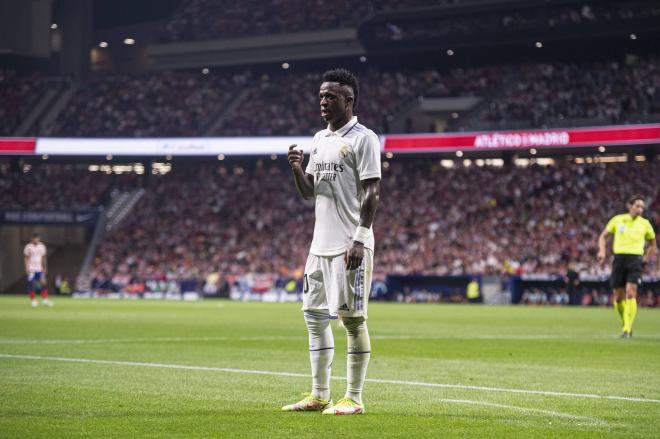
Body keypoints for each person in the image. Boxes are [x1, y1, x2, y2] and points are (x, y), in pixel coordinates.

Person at [282, 68, 381, 415]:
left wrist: (359, 238)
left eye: (331, 96)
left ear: (349, 101)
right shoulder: (319, 139)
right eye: (321, 95)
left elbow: (372, 191)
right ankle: (319, 394)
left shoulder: (363, 138)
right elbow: (310, 192)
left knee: (352, 320)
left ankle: (353, 398)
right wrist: (297, 168)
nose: (323, 101)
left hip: (348, 247)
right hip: (318, 247)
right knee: (313, 317)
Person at [597, 195, 656, 337]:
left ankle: (627, 330)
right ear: (630, 206)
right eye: (637, 206)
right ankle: (626, 323)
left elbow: (652, 243)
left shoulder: (645, 224)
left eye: (642, 207)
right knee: (618, 297)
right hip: (619, 259)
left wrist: (646, 260)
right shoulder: (618, 220)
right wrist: (602, 251)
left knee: (631, 292)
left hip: (635, 259)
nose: (640, 209)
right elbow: (603, 236)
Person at [24, 233, 53, 307]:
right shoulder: (28, 247)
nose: (37, 240)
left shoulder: (42, 246)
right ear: (32, 239)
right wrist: (26, 267)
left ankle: (45, 300)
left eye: (38, 238)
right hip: (31, 269)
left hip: (39, 268)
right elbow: (26, 258)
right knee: (31, 284)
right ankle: (33, 301)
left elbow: (43, 258)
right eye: (35, 238)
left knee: (44, 283)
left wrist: (45, 267)